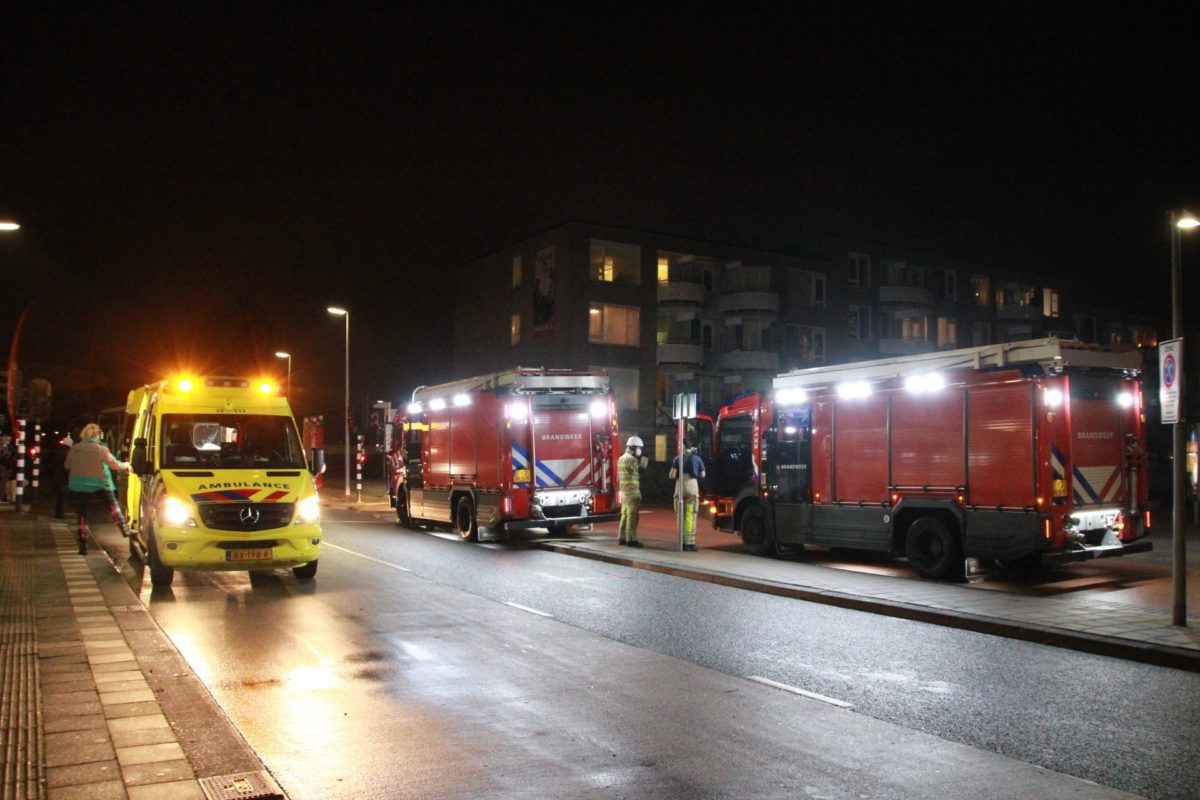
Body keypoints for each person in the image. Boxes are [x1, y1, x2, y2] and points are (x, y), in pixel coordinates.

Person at [65, 423, 133, 555]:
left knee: (82, 514)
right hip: (100, 483)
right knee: (113, 505)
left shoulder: (75, 448)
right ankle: (125, 530)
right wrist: (127, 465)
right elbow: (114, 465)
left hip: (79, 485)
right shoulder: (101, 449)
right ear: (97, 434)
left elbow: (67, 465)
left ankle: (83, 543)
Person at [669, 439, 707, 551]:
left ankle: (681, 541)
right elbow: (703, 474)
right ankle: (689, 544)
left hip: (680, 486)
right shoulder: (697, 458)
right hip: (692, 486)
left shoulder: (677, 459)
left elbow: (671, 475)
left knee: (680, 514)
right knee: (690, 514)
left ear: (683, 446)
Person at [617, 435, 644, 547]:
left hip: (624, 493)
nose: (640, 450)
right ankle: (631, 540)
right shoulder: (632, 460)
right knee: (632, 517)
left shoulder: (621, 458)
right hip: (633, 493)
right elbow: (639, 472)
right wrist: (644, 465)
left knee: (624, 516)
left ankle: (621, 537)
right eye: (639, 448)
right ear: (633, 447)